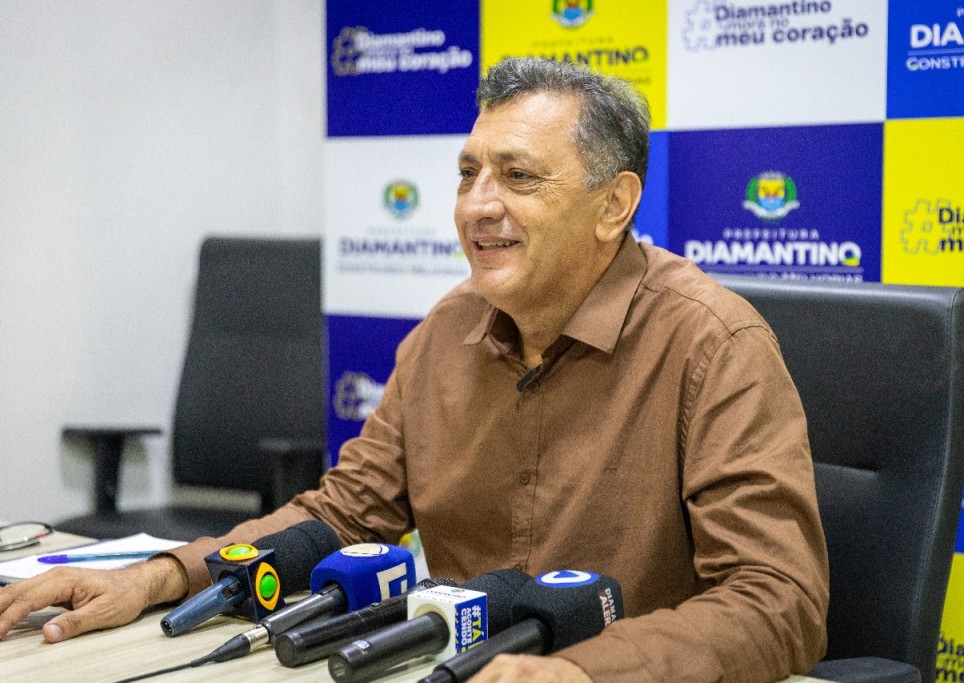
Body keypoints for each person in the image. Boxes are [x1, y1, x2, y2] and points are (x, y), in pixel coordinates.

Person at [0, 57, 827, 682]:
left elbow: (776, 600)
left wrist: (583, 670)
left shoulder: (714, 345)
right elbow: (341, 514)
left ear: (614, 204)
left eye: (518, 175)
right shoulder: (446, 332)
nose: (478, 204)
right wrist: (160, 577)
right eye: (469, 173)